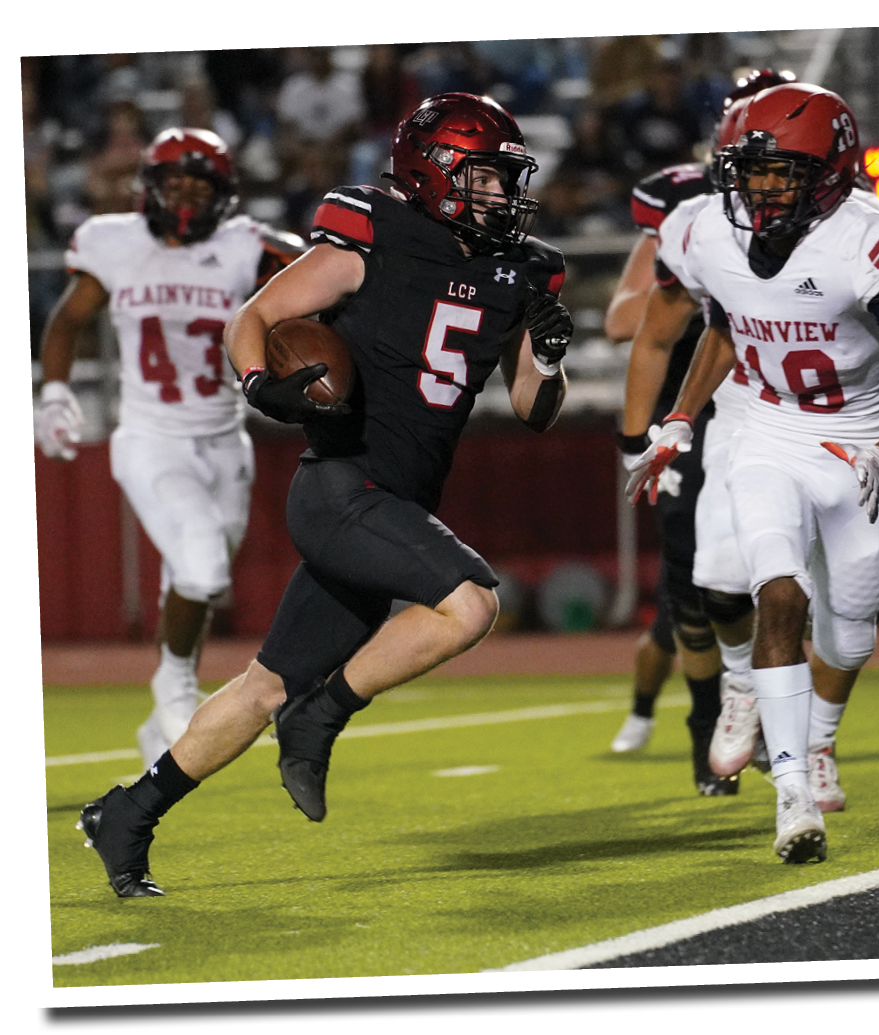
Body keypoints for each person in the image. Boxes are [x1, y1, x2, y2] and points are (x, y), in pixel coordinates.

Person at [77, 93, 571, 898]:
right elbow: (257, 313)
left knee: (263, 683)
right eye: (484, 177)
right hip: (342, 484)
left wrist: (546, 359)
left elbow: (532, 410)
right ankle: (324, 714)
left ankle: (127, 814)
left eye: (505, 180)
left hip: (392, 500)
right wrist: (259, 383)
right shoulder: (376, 231)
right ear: (435, 172)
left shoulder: (523, 270)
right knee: (472, 603)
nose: (501, 195)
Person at [628, 83, 879, 863]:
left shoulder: (863, 240)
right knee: (776, 592)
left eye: (781, 172)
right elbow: (723, 328)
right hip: (769, 433)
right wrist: (679, 418)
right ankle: (793, 799)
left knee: (849, 624)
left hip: (858, 441)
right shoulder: (710, 229)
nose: (761, 187)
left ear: (833, 170)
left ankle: (821, 739)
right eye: (751, 170)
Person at [36, 127, 305, 770]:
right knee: (204, 566)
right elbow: (70, 320)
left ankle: (161, 724)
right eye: (174, 180)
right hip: (151, 437)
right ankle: (175, 692)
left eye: (200, 181)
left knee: (196, 576)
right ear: (149, 188)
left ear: (224, 193)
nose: (185, 193)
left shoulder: (247, 248)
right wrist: (52, 392)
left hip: (224, 439)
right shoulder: (114, 242)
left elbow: (312, 288)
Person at [606, 70, 794, 795]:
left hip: (799, 413)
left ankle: (804, 737)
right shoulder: (692, 215)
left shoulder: (845, 213)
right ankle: (703, 727)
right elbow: (636, 325)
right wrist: (636, 438)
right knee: (692, 589)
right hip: (705, 408)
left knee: (807, 583)